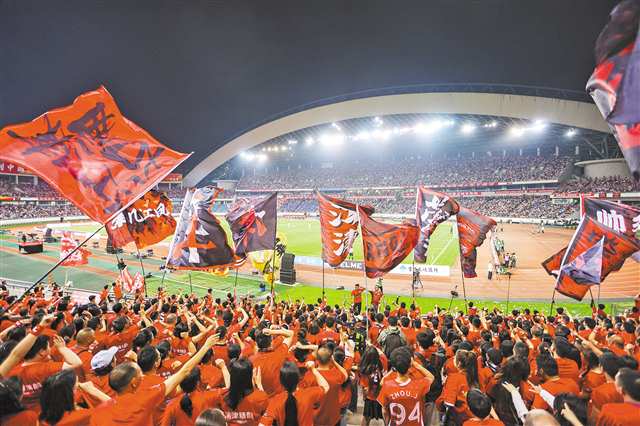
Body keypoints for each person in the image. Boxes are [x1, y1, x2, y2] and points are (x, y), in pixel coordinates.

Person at [89, 334, 220, 425]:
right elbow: (184, 372)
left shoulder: (100, 411)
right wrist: (205, 347)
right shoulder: (144, 398)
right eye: (138, 373)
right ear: (133, 383)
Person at [258, 360, 329, 425]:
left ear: (281, 382)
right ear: (298, 379)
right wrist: (313, 369)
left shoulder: (276, 401)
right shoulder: (309, 394)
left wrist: (260, 387)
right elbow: (326, 387)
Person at [377, 346, 433, 425]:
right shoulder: (419, 383)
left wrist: (394, 368)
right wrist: (416, 365)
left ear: (394, 367)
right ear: (410, 363)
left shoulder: (387, 385)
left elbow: (384, 411)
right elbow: (431, 378)